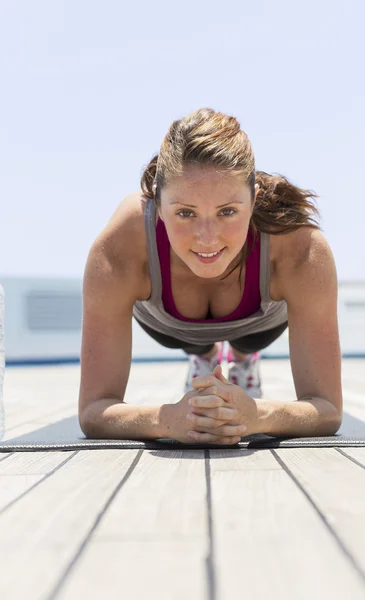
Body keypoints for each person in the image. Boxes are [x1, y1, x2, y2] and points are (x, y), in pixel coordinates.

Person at [78, 108, 343, 445]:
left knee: (247, 343)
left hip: (258, 326)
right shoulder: (121, 246)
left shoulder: (299, 248)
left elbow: (328, 409)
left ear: (253, 199)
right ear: (157, 205)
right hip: (172, 327)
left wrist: (258, 415)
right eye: (185, 213)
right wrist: (170, 420)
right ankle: (205, 359)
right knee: (197, 344)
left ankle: (243, 361)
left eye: (227, 212)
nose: (207, 237)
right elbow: (93, 411)